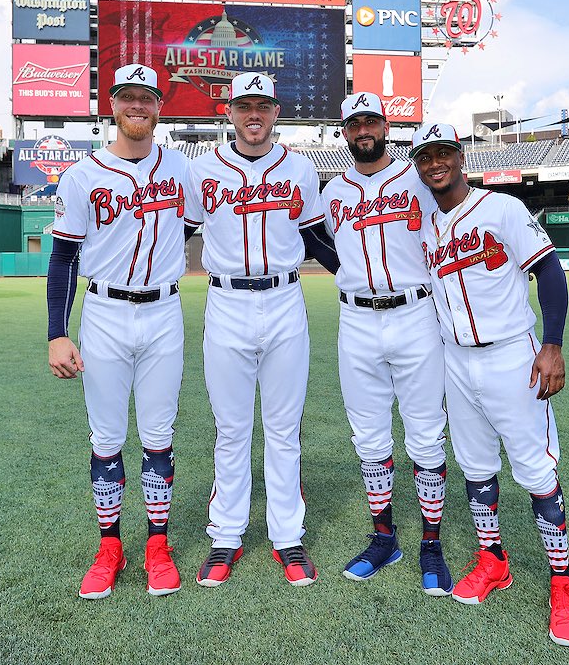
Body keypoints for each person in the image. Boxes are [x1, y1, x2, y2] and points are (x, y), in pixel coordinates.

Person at [410, 123, 569, 647]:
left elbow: (550, 272)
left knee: (535, 471)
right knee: (477, 467)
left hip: (512, 354)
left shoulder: (502, 208)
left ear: (459, 157)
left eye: (443, 153)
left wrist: (551, 344)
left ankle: (562, 584)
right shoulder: (427, 227)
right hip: (455, 361)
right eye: (425, 157)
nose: (435, 164)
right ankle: (493, 560)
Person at [183, 71, 338, 588]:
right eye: (245, 105)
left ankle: (286, 537)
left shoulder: (300, 168)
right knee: (231, 430)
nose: (254, 115)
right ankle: (225, 536)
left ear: (276, 112)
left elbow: (316, 238)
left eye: (263, 106)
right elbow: (174, 231)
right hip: (225, 302)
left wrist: (364, 282)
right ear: (229, 111)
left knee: (283, 428)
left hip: (285, 300)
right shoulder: (203, 170)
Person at [47, 63, 189, 599]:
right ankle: (110, 545)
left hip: (164, 313)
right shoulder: (82, 175)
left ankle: (157, 544)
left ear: (159, 106)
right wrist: (57, 333)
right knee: (106, 439)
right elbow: (62, 258)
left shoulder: (179, 168)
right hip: (104, 313)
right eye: (127, 96)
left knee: (158, 437)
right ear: (112, 105)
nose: (137, 106)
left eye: (146, 97)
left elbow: (208, 219)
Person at [321, 92, 452, 595]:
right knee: (369, 437)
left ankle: (432, 544)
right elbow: (329, 244)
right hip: (356, 320)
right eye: (353, 123)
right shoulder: (334, 190)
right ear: (345, 131)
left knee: (425, 434)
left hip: (415, 313)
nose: (363, 130)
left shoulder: (418, 180)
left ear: (386, 125)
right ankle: (384, 538)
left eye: (370, 120)